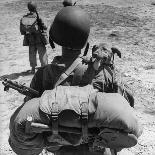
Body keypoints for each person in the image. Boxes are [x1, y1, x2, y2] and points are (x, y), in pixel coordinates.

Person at [10, 6, 135, 155]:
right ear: (86, 44)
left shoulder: (43, 74)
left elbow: (32, 114)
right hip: (98, 149)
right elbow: (128, 105)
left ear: (53, 39)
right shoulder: (103, 72)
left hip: (61, 149)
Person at [20, 1, 50, 74]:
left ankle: (33, 69)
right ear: (36, 7)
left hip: (30, 39)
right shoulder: (38, 17)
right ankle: (44, 68)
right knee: (42, 54)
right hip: (39, 38)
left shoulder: (24, 18)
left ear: (28, 8)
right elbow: (45, 27)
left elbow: (22, 31)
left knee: (32, 54)